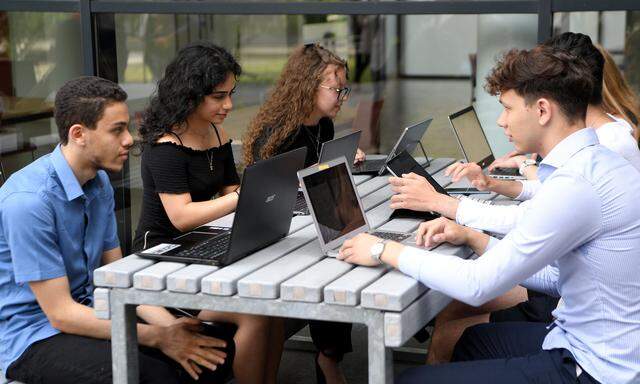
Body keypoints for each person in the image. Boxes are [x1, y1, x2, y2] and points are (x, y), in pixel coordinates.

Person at [339, 45, 640, 383]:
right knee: (472, 341)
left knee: (412, 380)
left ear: (542, 110)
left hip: (597, 369)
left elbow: (478, 284)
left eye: (507, 108)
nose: (501, 120)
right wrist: (474, 237)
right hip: (582, 340)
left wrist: (384, 249)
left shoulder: (578, 183)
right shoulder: (594, 163)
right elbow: (555, 278)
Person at [0, 76, 235, 384]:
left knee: (214, 349)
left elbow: (117, 280)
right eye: (117, 130)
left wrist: (170, 329)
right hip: (33, 336)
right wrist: (158, 337)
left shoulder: (98, 184)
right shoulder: (29, 202)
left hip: (91, 308)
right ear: (79, 134)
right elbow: (60, 313)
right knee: (155, 375)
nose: (129, 139)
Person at [134, 42, 282, 384]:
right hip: (163, 263)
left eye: (231, 94)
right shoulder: (165, 146)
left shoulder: (217, 132)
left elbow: (231, 190)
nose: (228, 104)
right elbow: (181, 217)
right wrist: (243, 199)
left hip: (202, 247)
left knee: (273, 308)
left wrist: (258, 198)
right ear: (191, 94)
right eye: (218, 96)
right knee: (256, 315)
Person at [243, 42, 361, 384]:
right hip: (282, 226)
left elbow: (317, 172)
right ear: (309, 87)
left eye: (344, 88)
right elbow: (270, 193)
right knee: (336, 258)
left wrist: (337, 165)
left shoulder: (322, 124)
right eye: (336, 88)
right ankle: (329, 360)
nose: (342, 97)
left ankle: (329, 356)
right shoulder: (279, 132)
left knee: (344, 246)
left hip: (310, 217)